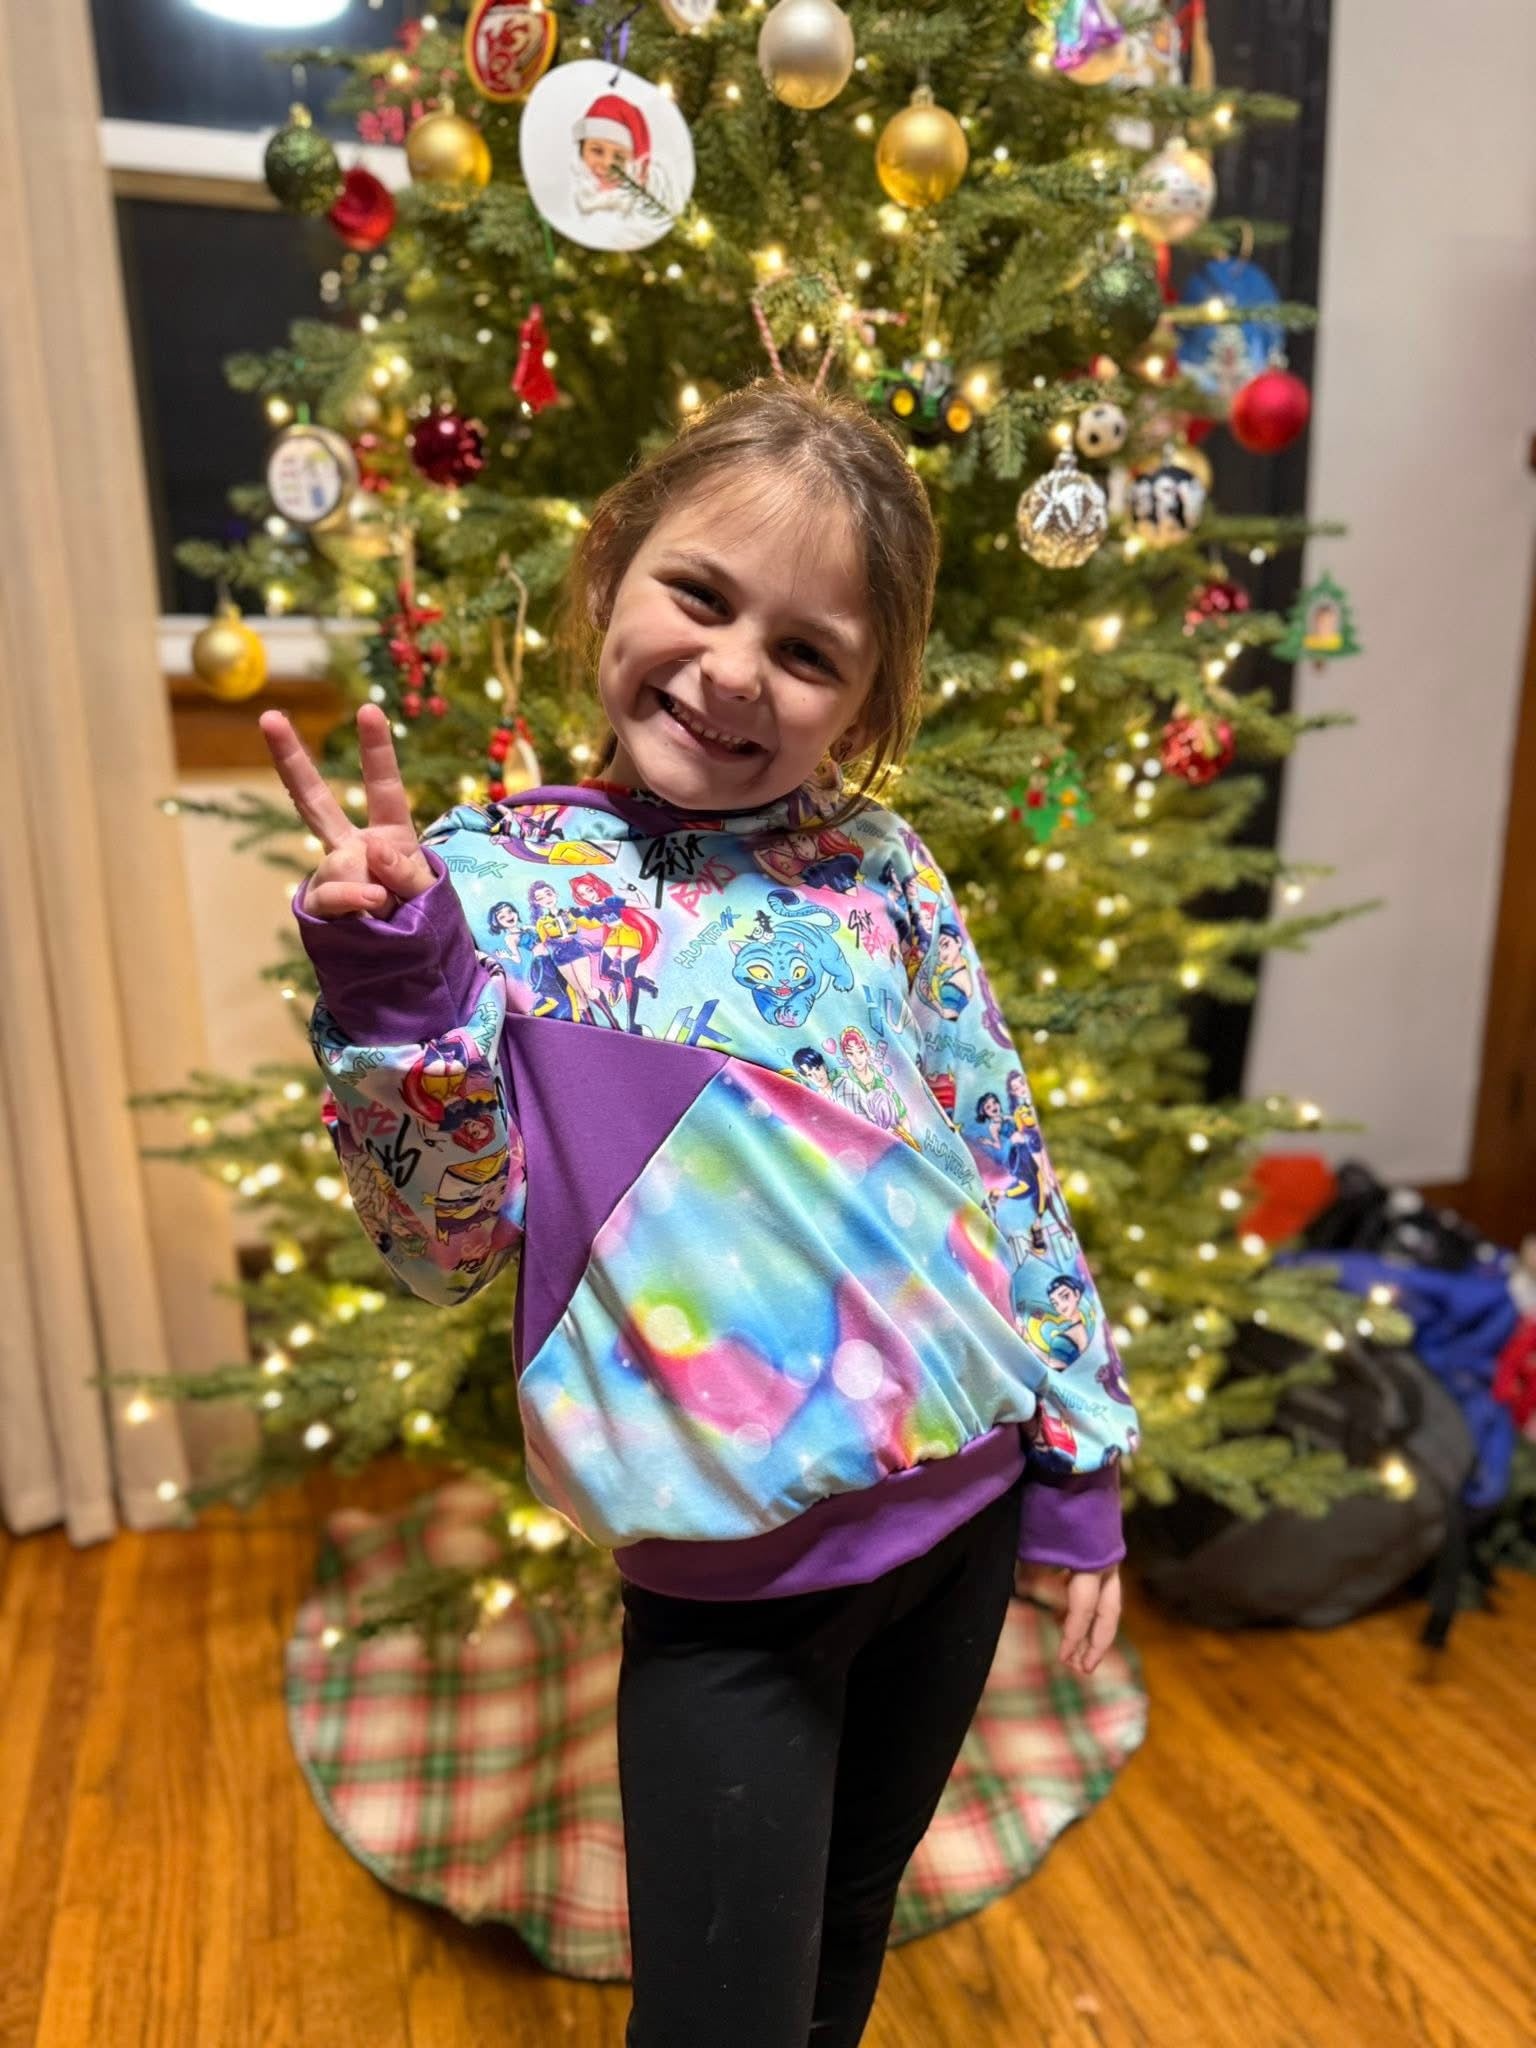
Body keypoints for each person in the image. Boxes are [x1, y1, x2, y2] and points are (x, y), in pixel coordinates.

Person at [259, 378, 1138, 2048]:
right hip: (729, 1592)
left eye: (806, 652)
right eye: (702, 596)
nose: (736, 672)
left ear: (864, 701)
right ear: (611, 571)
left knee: (852, 1922)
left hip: (962, 1516)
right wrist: (394, 989)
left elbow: (1000, 1147)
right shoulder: (476, 893)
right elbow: (440, 1250)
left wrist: (1079, 1455)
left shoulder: (881, 868)